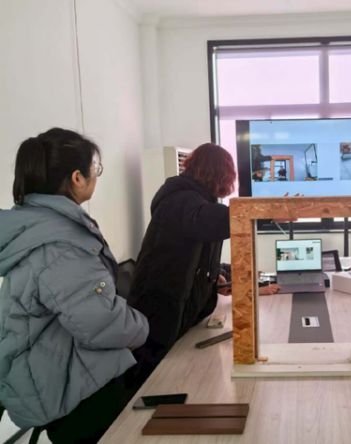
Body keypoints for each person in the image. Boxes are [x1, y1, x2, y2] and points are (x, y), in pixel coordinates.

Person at [0, 128, 149, 443]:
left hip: (46, 374)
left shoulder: (37, 226)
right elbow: (100, 323)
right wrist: (142, 325)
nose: (96, 175)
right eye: (95, 168)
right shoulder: (60, 244)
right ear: (77, 178)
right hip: (62, 391)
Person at [127, 143, 279, 387]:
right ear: (220, 174)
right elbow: (213, 221)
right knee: (156, 381)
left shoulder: (194, 200)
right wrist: (271, 211)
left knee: (181, 376)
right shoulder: (180, 199)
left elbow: (199, 250)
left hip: (176, 307)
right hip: (160, 309)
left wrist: (218, 274)